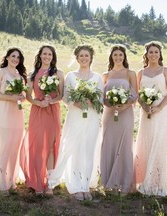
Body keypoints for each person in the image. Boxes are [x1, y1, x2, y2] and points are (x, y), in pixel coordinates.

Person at [48, 45, 103, 201]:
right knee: (74, 147)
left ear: (91, 58)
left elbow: (100, 98)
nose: (84, 58)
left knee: (88, 149)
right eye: (81, 56)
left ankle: (85, 184)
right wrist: (76, 102)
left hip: (91, 118)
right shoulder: (71, 76)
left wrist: (91, 101)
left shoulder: (97, 77)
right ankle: (76, 186)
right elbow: (65, 96)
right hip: (75, 116)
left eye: (86, 55)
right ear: (77, 58)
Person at [19, 45, 64, 194]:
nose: (47, 56)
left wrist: (50, 101)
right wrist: (39, 102)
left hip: (53, 111)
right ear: (40, 56)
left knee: (51, 146)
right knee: (38, 146)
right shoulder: (32, 74)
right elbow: (28, 96)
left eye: (50, 54)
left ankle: (50, 183)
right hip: (38, 111)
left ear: (53, 57)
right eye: (44, 54)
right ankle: (38, 181)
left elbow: (61, 95)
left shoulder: (58, 73)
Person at [133, 41, 167, 196]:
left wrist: (159, 107)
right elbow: (137, 93)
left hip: (161, 112)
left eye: (156, 52)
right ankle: (144, 180)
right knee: (145, 142)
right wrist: (143, 105)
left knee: (158, 143)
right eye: (151, 52)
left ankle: (157, 184)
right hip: (146, 112)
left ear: (160, 54)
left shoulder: (166, 71)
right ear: (146, 54)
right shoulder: (141, 73)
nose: (153, 55)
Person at [0, 47, 27, 191]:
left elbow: (22, 97)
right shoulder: (0, 73)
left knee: (14, 146)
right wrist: (11, 97)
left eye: (18, 57)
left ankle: (11, 177)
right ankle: (0, 179)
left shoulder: (20, 77)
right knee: (4, 146)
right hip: (4, 113)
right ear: (7, 57)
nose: (15, 59)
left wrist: (21, 97)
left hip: (17, 114)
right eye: (13, 56)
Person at [100, 45, 138, 194]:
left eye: (120, 55)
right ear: (111, 57)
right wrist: (109, 104)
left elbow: (135, 94)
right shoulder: (105, 75)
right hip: (109, 114)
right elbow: (102, 97)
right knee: (109, 144)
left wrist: (125, 105)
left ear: (124, 56)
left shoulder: (130, 73)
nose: (118, 57)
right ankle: (109, 182)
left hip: (126, 113)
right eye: (115, 55)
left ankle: (124, 183)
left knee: (125, 145)